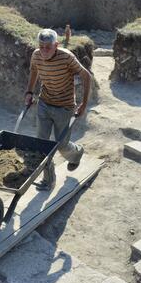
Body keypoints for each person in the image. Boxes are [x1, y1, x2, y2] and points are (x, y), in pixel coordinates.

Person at [25, 29, 91, 191]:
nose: (44, 50)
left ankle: (76, 153)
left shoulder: (67, 57)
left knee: (61, 145)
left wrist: (83, 104)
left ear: (56, 45)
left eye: (48, 47)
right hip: (44, 103)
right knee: (42, 145)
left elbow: (86, 76)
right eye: (41, 46)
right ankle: (49, 180)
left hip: (64, 106)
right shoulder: (36, 55)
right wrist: (29, 91)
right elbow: (34, 70)